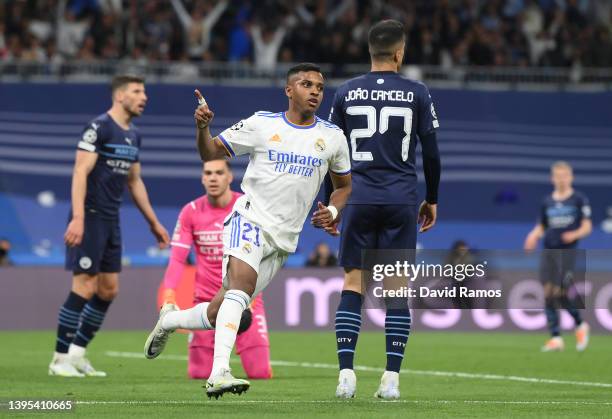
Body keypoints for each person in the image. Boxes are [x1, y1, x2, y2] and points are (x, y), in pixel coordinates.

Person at [144, 62, 352, 399]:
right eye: (306, 84)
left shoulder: (332, 137)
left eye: (319, 86)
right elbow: (210, 152)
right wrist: (203, 129)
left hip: (285, 240)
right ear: (289, 90)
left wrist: (332, 209)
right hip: (250, 219)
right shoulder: (261, 124)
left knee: (222, 308)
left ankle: (169, 321)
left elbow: (344, 186)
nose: (314, 91)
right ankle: (219, 373)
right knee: (239, 290)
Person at [328, 19, 441, 400]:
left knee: (353, 284)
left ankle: (346, 375)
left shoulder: (345, 92)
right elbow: (432, 153)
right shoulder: (418, 92)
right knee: (396, 289)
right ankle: (391, 379)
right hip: (400, 200)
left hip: (357, 198)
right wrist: (433, 199)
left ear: (370, 52)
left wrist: (333, 203)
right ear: (399, 52)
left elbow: (332, 154)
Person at [49, 75, 170, 378]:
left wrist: (153, 222)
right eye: (137, 91)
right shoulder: (99, 127)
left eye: (145, 91)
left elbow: (134, 181)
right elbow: (80, 171)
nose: (144, 97)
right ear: (120, 96)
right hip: (89, 216)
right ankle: (59, 359)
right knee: (85, 285)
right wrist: (78, 217)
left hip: (111, 218)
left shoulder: (135, 135)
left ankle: (77, 354)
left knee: (108, 289)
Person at [162, 159, 272, 380]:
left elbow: (265, 251)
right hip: (206, 302)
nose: (213, 177)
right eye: (208, 173)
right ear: (203, 178)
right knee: (198, 373)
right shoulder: (190, 212)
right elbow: (177, 259)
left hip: (245, 297)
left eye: (219, 173)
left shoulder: (248, 206)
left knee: (259, 373)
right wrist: (169, 294)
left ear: (230, 177)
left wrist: (253, 291)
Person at [524, 161, 591, 352]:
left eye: (565, 176)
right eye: (558, 176)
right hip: (548, 251)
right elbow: (542, 225)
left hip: (567, 252)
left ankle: (577, 325)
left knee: (558, 290)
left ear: (571, 177)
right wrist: (533, 235)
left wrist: (575, 234)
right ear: (552, 179)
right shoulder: (547, 202)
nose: (561, 180)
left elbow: (587, 226)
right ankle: (557, 337)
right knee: (549, 293)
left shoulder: (579, 199)